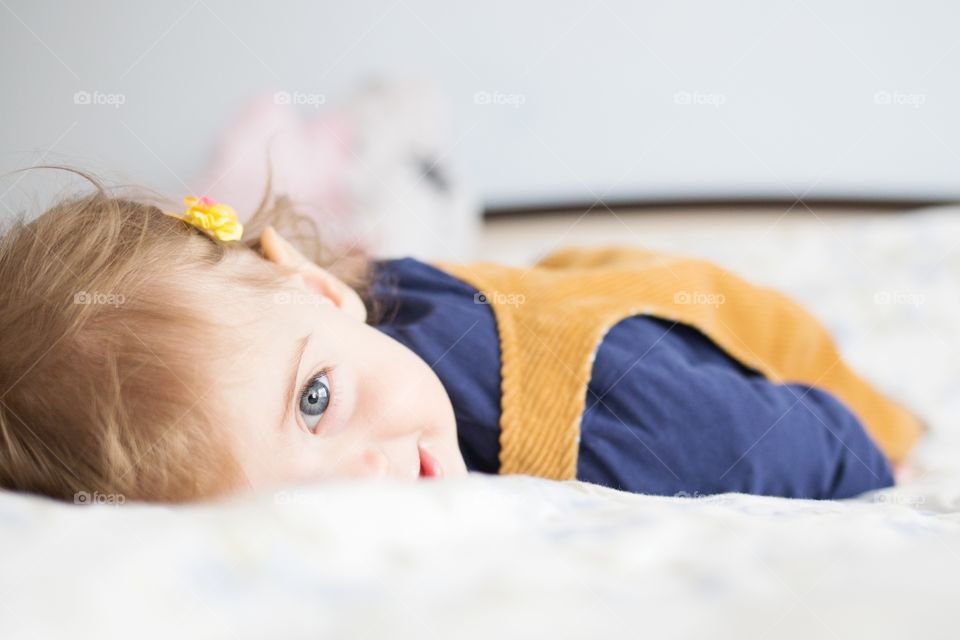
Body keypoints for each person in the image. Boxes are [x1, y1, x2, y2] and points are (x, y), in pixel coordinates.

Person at [0, 169, 923, 503]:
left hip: (736, 333)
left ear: (320, 288)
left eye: (315, 400)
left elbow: (828, 441)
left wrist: (882, 453)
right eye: (291, 503)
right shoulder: (318, 333)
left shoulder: (620, 431)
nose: (366, 481)